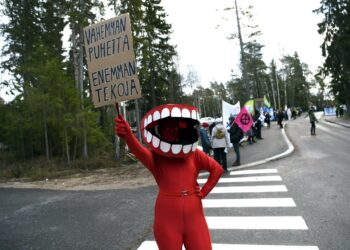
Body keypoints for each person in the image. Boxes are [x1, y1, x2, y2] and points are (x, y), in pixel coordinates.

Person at [115, 104, 223, 250]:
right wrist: (127, 134)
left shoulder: (193, 154)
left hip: (194, 217)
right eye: (166, 128)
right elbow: (138, 150)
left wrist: (204, 192)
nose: (171, 131)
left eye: (174, 128)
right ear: (160, 132)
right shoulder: (155, 157)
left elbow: (217, 169)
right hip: (167, 218)